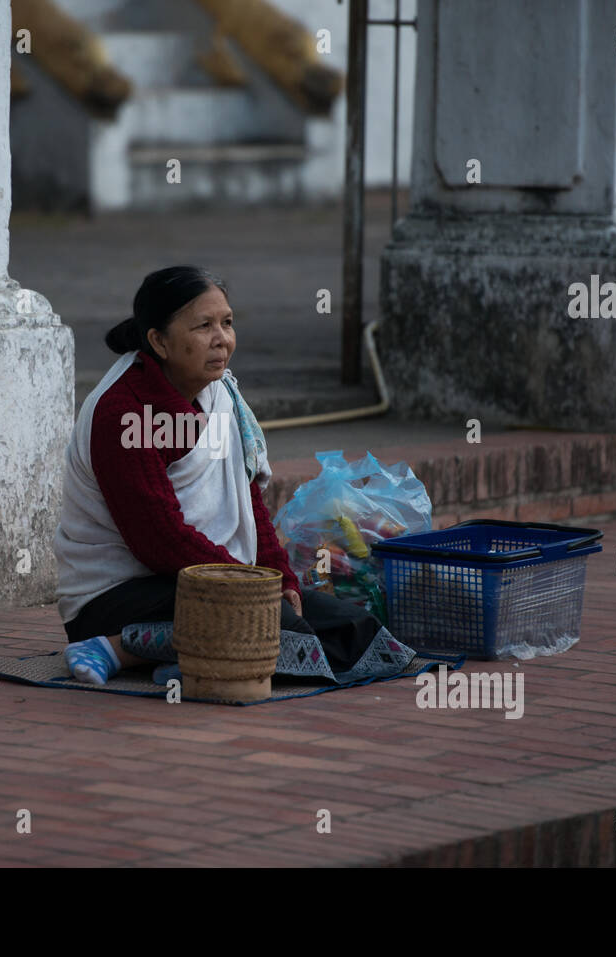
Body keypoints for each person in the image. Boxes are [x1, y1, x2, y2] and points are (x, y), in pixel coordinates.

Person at [53, 265, 414, 686]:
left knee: (353, 630)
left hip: (207, 577)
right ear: (158, 341)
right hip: (116, 598)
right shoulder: (123, 414)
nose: (221, 339)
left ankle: (185, 659)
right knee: (274, 626)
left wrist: (279, 574)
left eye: (227, 323)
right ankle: (119, 648)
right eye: (203, 326)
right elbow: (159, 540)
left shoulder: (219, 394)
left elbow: (246, 502)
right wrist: (250, 585)